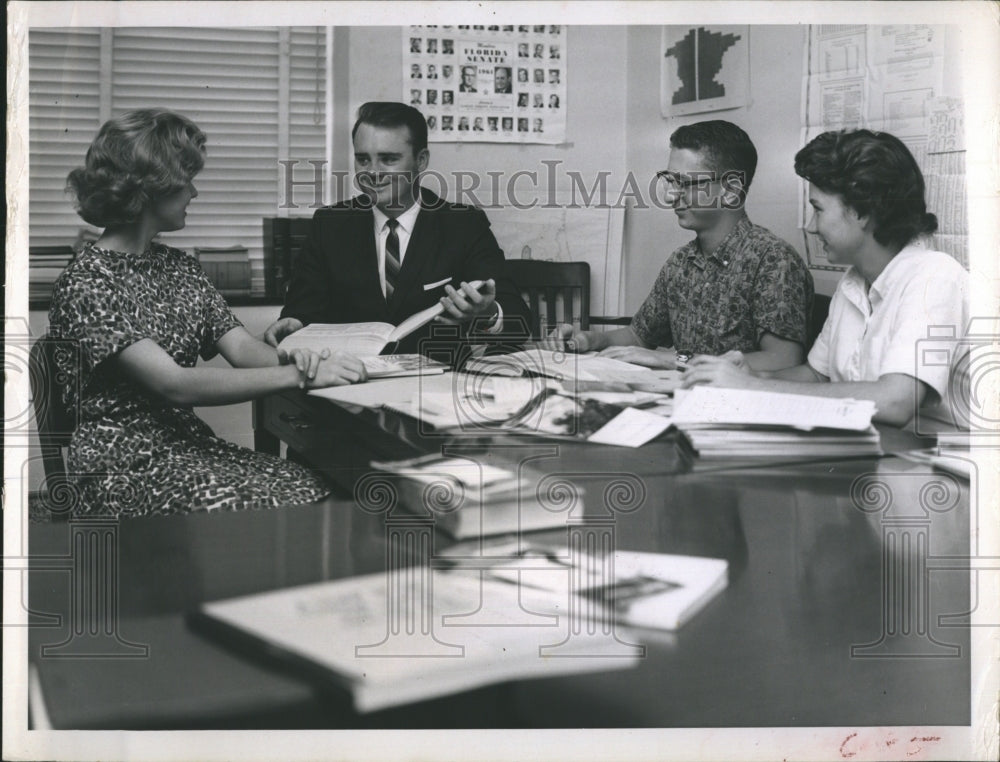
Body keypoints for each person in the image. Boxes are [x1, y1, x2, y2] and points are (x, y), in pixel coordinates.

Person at [49, 109, 367, 517]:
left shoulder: (179, 267)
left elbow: (242, 350)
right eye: (187, 183)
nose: (194, 194)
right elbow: (175, 385)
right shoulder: (87, 282)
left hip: (188, 446)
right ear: (150, 188)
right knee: (288, 504)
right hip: (120, 463)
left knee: (318, 486)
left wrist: (309, 359)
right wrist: (297, 375)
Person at [681, 129, 968, 427]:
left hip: (944, 465)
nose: (810, 226)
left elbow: (896, 402)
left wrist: (753, 388)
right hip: (879, 454)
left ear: (863, 211)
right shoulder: (853, 283)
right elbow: (816, 375)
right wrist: (748, 375)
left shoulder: (935, 278)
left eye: (818, 209)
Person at [543, 120, 813, 371]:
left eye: (685, 183)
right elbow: (639, 335)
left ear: (730, 190)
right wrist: (588, 340)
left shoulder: (773, 260)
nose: (672, 195)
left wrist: (676, 359)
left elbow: (782, 361)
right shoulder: (681, 262)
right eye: (671, 181)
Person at [264, 102, 531, 356]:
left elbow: (519, 320)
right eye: (363, 160)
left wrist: (487, 314)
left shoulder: (463, 224)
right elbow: (302, 311)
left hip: (437, 386)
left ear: (421, 161)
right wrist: (295, 325)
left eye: (388, 159)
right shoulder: (329, 224)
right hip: (349, 385)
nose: (373, 172)